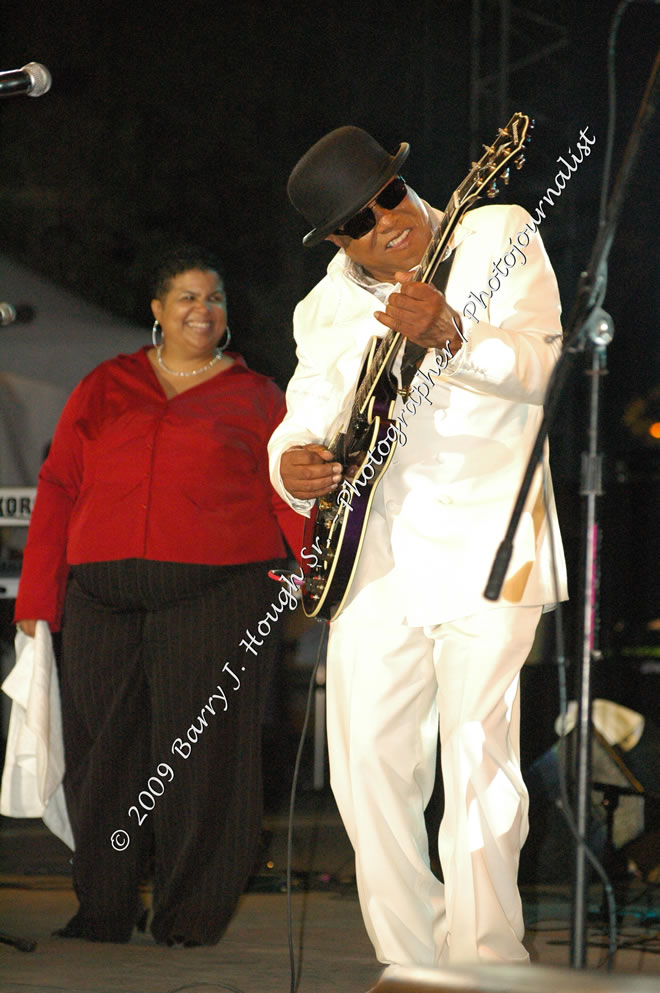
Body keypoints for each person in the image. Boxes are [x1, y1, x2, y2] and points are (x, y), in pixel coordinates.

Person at [267, 126, 568, 970]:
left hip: (490, 540)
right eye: (360, 221)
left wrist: (456, 332)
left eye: (389, 197)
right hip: (373, 557)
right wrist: (292, 466)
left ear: (406, 182)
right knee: (368, 775)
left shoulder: (496, 231)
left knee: (478, 766)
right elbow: (303, 416)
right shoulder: (322, 305)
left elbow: (549, 367)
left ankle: (486, 966)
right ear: (336, 240)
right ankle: (413, 967)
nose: (387, 223)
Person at [13, 246, 302, 945]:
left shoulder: (257, 394)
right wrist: (36, 596)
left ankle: (189, 914)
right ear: (157, 311)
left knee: (204, 756)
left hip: (220, 590)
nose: (203, 311)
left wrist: (310, 572)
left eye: (215, 299)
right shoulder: (107, 383)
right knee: (103, 753)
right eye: (187, 298)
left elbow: (289, 487)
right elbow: (57, 486)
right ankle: (103, 907)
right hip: (102, 594)